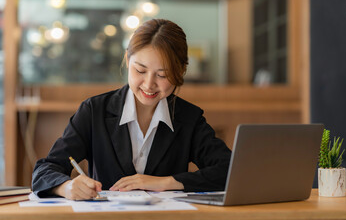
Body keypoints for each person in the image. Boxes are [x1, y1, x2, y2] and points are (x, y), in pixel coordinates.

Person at [32, 19, 232, 200]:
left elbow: (230, 169)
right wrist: (66, 187)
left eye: (162, 75)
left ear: (181, 72)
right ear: (128, 61)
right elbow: (44, 170)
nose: (149, 84)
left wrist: (165, 182)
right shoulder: (94, 111)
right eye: (140, 71)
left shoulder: (189, 118)